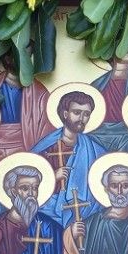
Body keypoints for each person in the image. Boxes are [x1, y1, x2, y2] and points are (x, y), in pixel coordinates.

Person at [32, 90, 106, 226]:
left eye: (86, 114)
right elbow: (26, 180)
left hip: (84, 212)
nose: (82, 118)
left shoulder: (95, 151)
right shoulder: (45, 147)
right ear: (65, 114)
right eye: (77, 112)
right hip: (46, 213)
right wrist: (52, 178)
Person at [0, 55, 55, 154]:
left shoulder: (39, 91)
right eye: (11, 56)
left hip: (28, 144)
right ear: (5, 59)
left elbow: (47, 126)